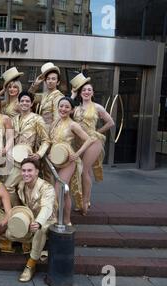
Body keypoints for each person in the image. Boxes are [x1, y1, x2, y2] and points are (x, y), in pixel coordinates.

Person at [71, 73, 115, 215]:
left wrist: (96, 132)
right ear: (80, 93)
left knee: (83, 171)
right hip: (78, 142)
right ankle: (83, 200)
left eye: (89, 90)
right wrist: (72, 95)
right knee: (84, 172)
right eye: (83, 90)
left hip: (92, 142)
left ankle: (85, 202)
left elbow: (111, 122)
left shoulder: (97, 107)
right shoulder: (76, 108)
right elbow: (64, 109)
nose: (86, 92)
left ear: (92, 92)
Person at [8, 159, 57, 282]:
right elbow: (10, 190)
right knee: (9, 233)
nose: (26, 174)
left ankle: (31, 264)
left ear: (37, 172)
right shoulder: (21, 186)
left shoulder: (47, 188)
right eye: (23, 171)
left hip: (47, 221)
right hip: (30, 219)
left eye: (29, 170)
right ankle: (33, 244)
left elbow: (47, 208)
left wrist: (39, 222)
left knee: (41, 229)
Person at [48, 97, 93, 225]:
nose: (63, 109)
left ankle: (57, 220)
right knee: (65, 193)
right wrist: (50, 152)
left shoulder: (73, 124)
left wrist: (77, 153)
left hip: (68, 161)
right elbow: (52, 141)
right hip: (55, 161)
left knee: (59, 190)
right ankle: (66, 219)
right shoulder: (55, 122)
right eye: (61, 106)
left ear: (72, 110)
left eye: (67, 107)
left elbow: (89, 139)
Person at [4, 91, 50, 206]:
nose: (24, 103)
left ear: (31, 103)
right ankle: (19, 211)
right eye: (22, 101)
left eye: (27, 101)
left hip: (29, 160)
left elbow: (46, 140)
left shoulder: (37, 119)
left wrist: (39, 154)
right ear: (18, 103)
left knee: (13, 187)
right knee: (13, 187)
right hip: (14, 160)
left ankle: (22, 212)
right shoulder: (14, 120)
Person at [29, 62, 64, 130]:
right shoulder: (44, 95)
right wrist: (35, 85)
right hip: (41, 130)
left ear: (58, 82)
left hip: (50, 132)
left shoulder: (59, 97)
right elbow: (29, 98)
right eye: (48, 79)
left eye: (53, 79)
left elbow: (57, 120)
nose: (50, 81)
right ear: (45, 81)